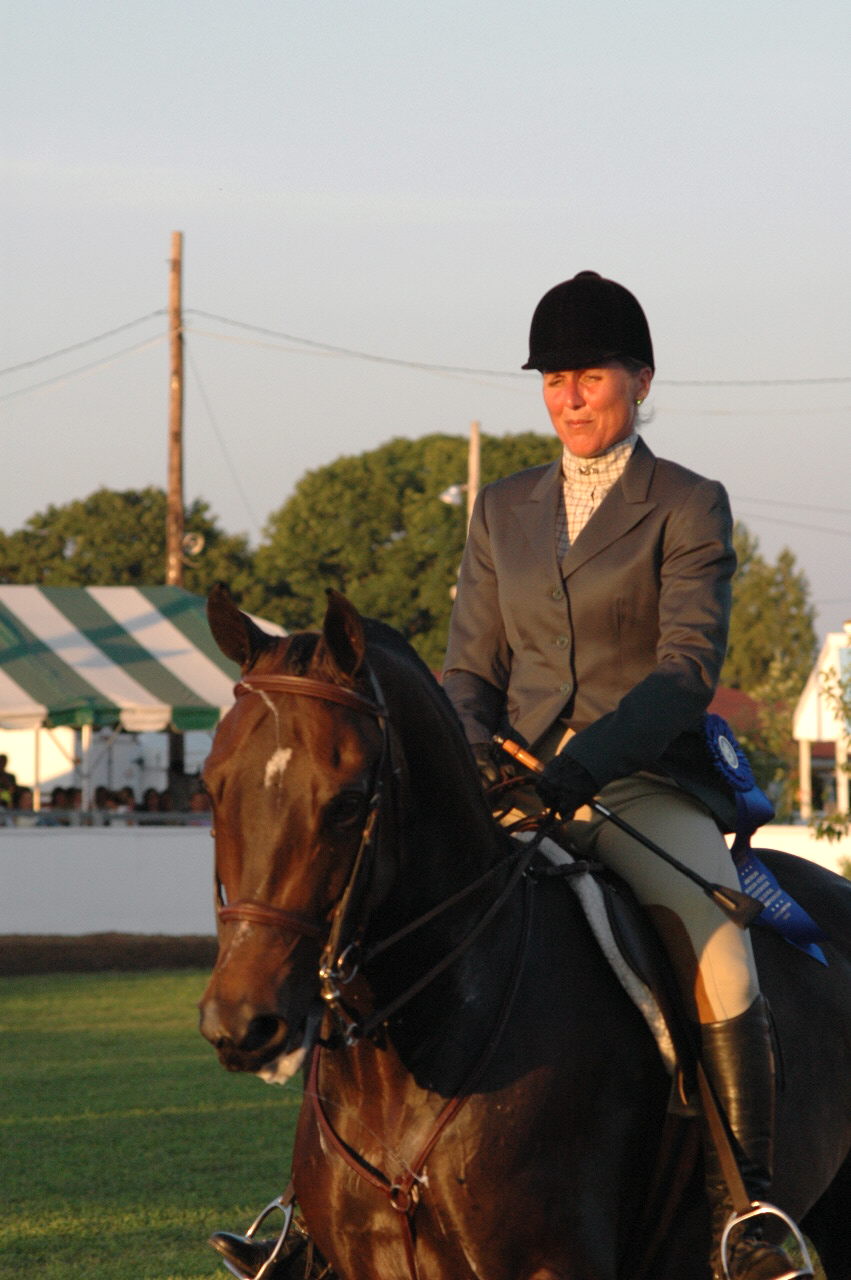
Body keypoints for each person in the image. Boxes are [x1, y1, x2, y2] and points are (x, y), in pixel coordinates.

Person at [442, 271, 811, 1280]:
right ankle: (307, 1213)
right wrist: (474, 756)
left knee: (721, 955)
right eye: (552, 380)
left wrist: (577, 769)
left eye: (589, 377)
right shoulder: (501, 508)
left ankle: (745, 1213)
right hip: (511, 789)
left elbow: (682, 672)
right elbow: (469, 665)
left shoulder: (686, 503)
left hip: (640, 784)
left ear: (639, 380)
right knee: (383, 919)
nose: (569, 398)